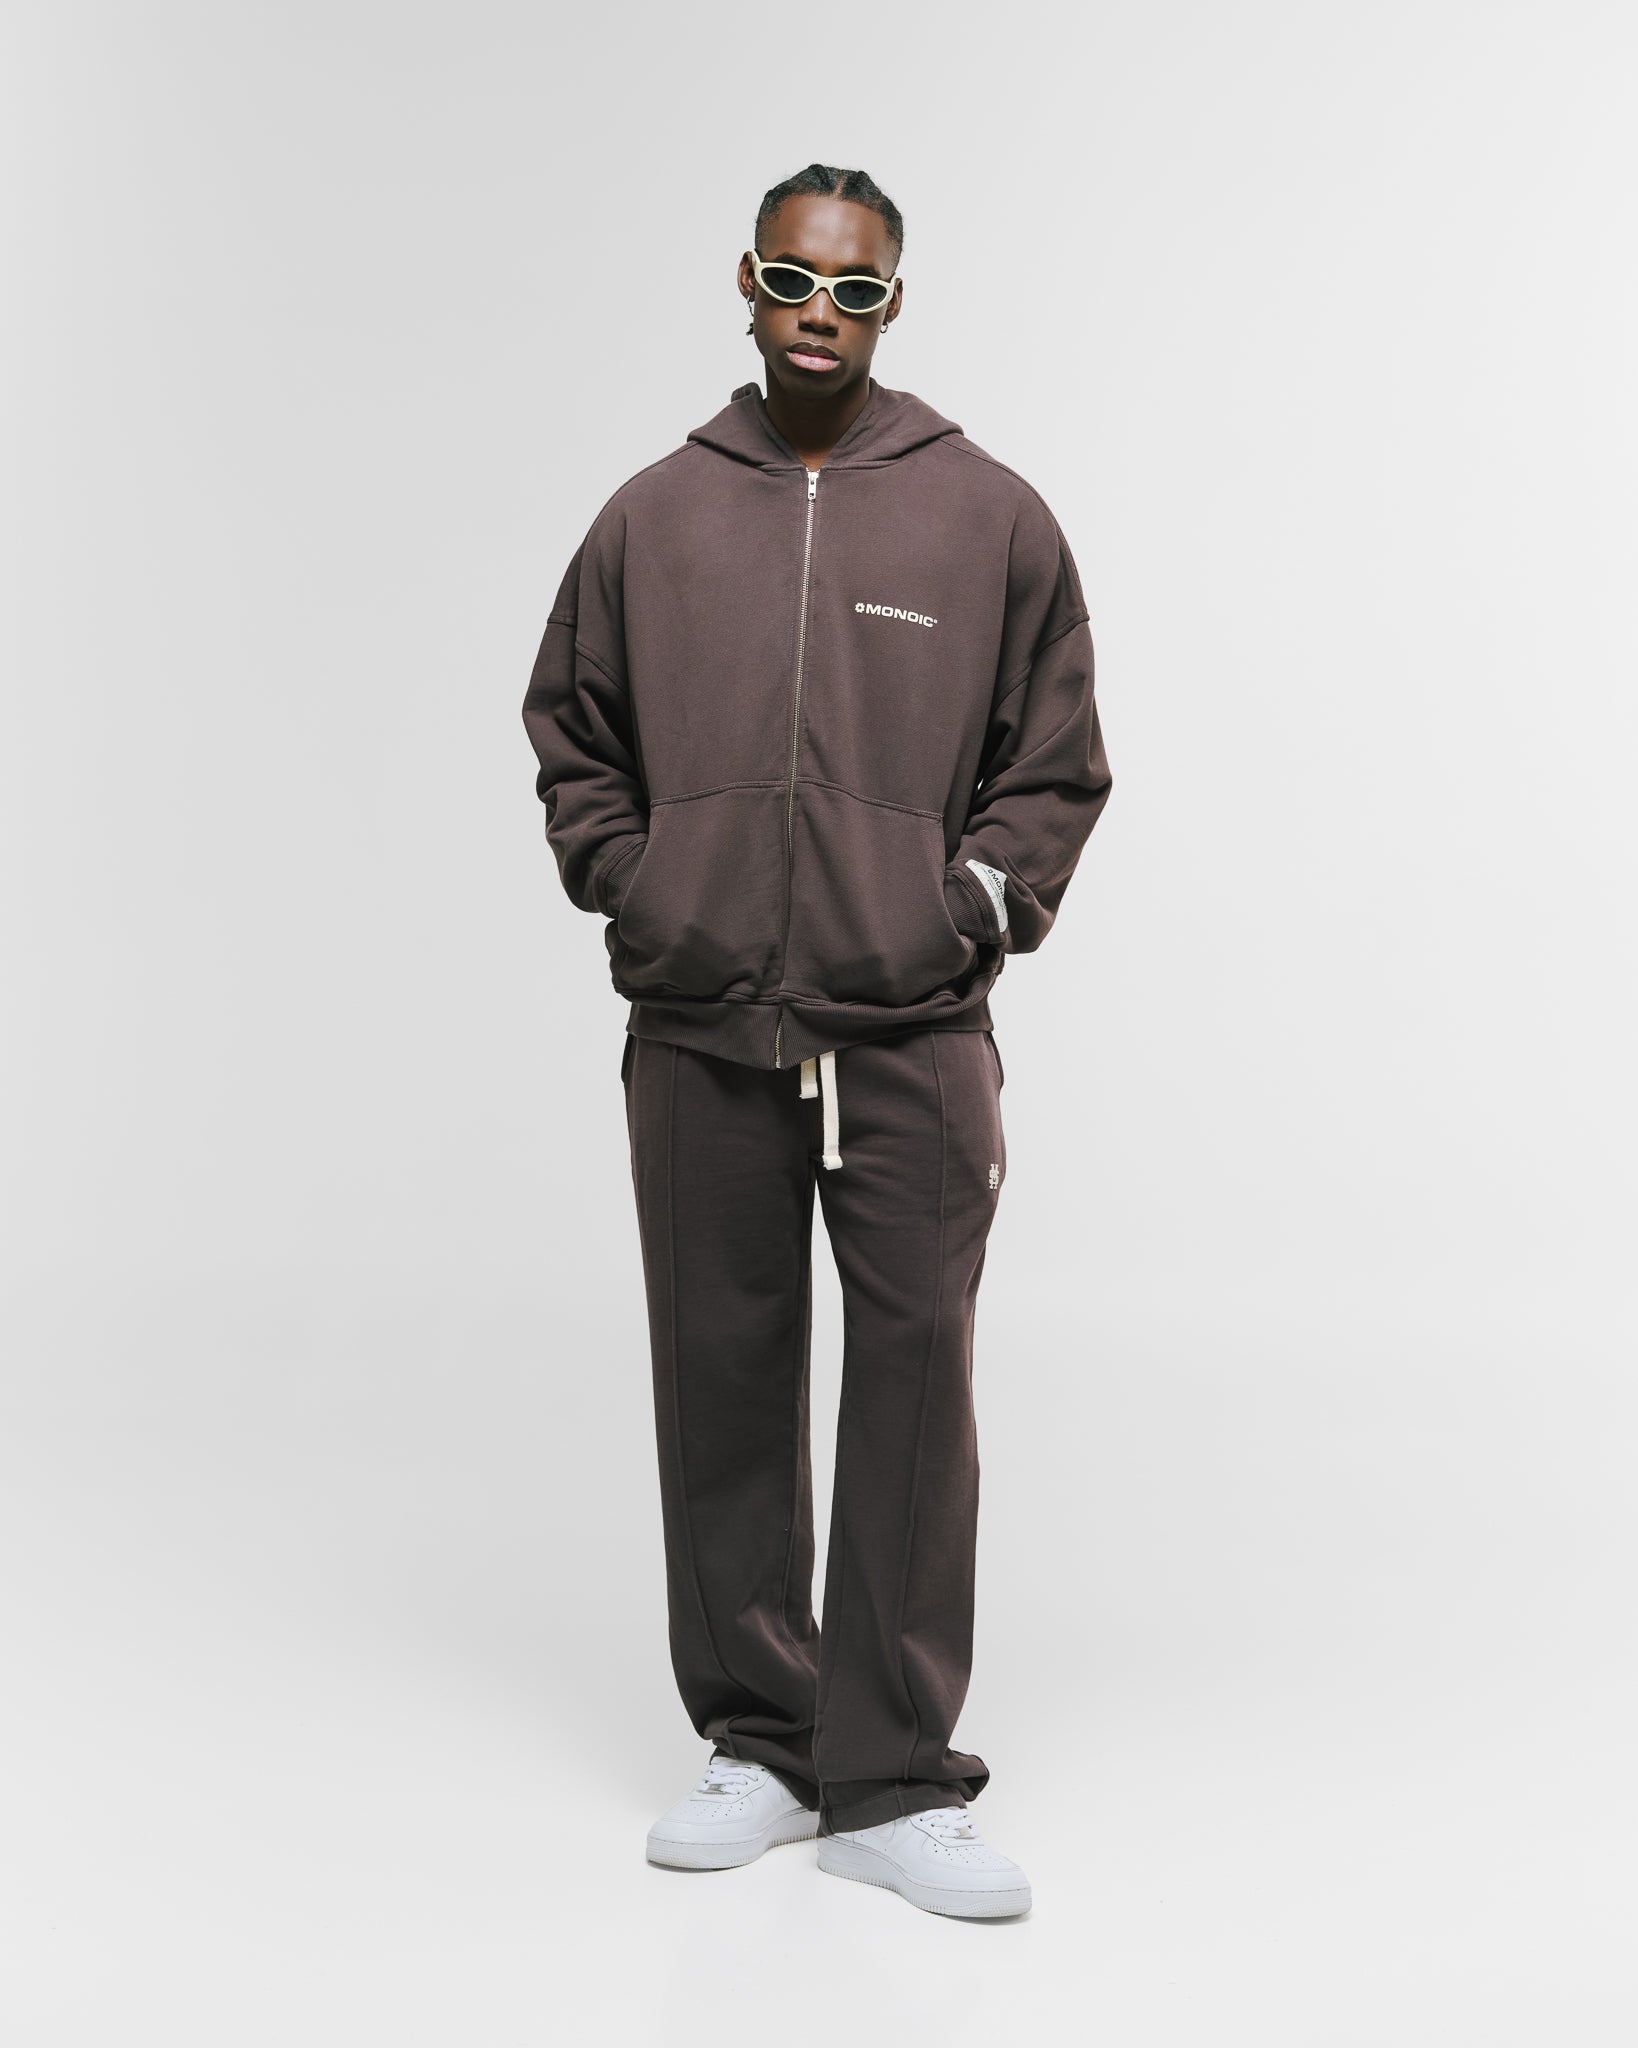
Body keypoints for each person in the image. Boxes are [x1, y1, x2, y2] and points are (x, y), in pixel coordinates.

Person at [521, 162, 1112, 1920]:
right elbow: (572, 734)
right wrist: (641, 890)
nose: (819, 312)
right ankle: (763, 1741)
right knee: (720, 1375)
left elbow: (1053, 763)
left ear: (892, 303)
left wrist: (964, 908)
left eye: (855, 288)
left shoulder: (985, 514)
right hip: (698, 1020)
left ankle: (893, 1776)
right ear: (748, 280)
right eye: (794, 278)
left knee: (916, 1390)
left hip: (911, 1030)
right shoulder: (653, 516)